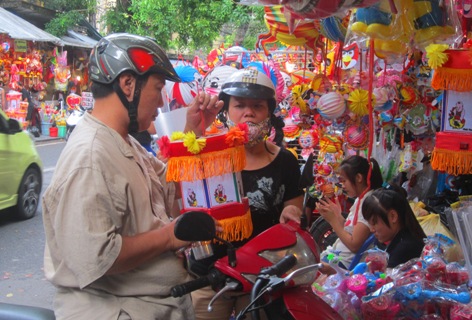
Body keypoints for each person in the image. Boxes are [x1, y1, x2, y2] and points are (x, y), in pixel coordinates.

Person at [42, 33, 223, 320]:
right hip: (119, 311)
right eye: (158, 87)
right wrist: (169, 236)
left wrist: (194, 132)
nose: (162, 102)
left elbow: (169, 185)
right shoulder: (90, 156)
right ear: (128, 85)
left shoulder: (125, 142)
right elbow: (96, 256)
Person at [191, 68, 304, 320]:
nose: (248, 112)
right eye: (239, 105)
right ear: (226, 111)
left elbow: (293, 212)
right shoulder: (207, 154)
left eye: (257, 106)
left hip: (260, 277)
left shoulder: (286, 161)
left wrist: (291, 213)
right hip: (208, 277)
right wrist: (195, 128)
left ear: (269, 113)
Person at [316, 155, 383, 271]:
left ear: (358, 178)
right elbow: (350, 231)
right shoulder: (361, 199)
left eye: (344, 180)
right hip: (338, 255)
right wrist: (337, 215)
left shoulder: (368, 202)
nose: (343, 185)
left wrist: (333, 221)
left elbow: (354, 245)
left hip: (344, 263)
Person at [362, 185, 427, 268]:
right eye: (369, 223)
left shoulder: (405, 249)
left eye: (374, 223)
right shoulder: (401, 238)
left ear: (393, 216)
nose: (371, 229)